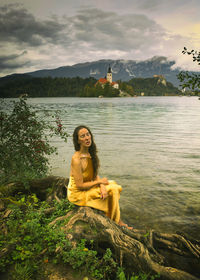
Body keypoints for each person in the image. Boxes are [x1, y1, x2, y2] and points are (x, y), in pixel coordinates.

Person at [67, 125, 132, 229]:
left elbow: (94, 175)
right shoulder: (76, 159)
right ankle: (117, 222)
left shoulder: (89, 153)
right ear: (78, 141)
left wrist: (101, 185)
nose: (87, 138)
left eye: (88, 134)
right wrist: (99, 182)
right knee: (113, 189)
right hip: (77, 194)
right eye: (82, 136)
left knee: (113, 184)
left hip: (88, 185)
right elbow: (79, 185)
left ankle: (114, 217)